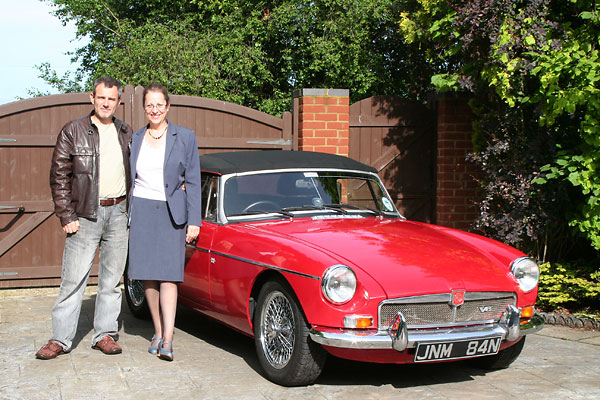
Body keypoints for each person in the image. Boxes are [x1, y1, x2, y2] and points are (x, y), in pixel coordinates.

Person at [36, 76, 133, 359]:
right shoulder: (73, 130)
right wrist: (66, 215)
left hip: (118, 213)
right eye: (101, 97)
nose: (106, 103)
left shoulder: (126, 131)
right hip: (84, 215)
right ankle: (60, 339)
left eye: (111, 98)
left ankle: (104, 334)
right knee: (73, 279)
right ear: (92, 98)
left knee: (113, 281)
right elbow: (59, 176)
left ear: (117, 102)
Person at [127, 83, 201, 361]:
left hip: (173, 213)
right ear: (144, 108)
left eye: (160, 104)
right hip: (143, 210)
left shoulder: (185, 137)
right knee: (148, 275)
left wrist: (194, 220)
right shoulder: (134, 138)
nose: (155, 109)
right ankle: (157, 332)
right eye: (150, 105)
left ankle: (168, 338)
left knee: (170, 276)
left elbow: (193, 181)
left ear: (168, 107)